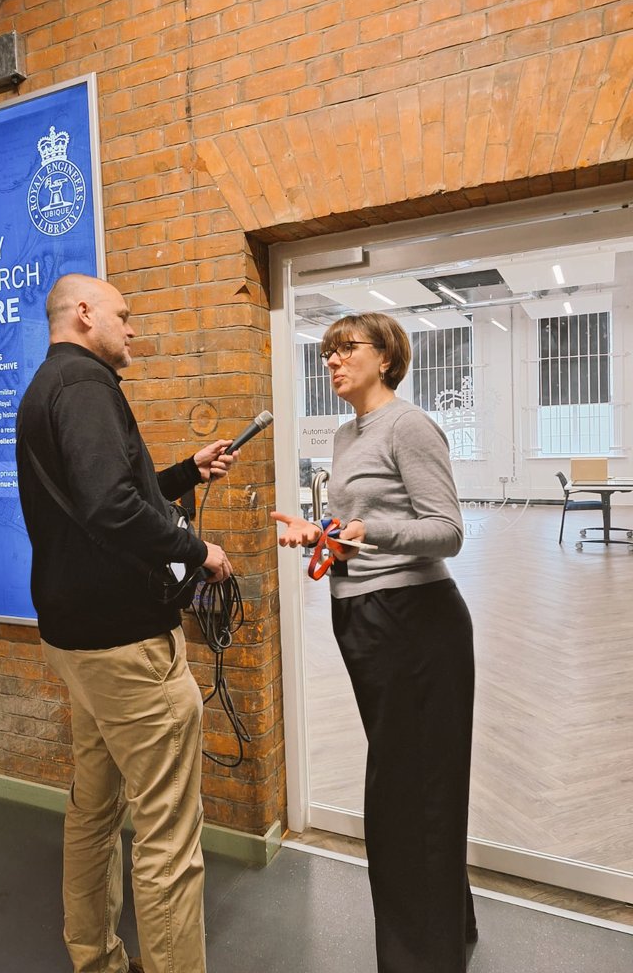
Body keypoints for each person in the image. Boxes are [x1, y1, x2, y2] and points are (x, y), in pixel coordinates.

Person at [16, 272, 236, 973]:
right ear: (85, 314)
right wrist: (199, 549)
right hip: (128, 650)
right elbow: (110, 508)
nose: (133, 329)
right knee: (169, 837)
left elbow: (96, 497)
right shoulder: (85, 388)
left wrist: (179, 475)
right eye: (124, 315)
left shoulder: (46, 388)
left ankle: (95, 959)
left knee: (94, 810)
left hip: (76, 643)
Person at [272, 312, 476, 973]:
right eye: (327, 352)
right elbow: (360, 518)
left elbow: (446, 530)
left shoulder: (409, 425)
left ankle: (423, 958)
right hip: (363, 617)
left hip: (415, 620)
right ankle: (448, 931)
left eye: (346, 349)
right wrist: (324, 534)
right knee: (410, 786)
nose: (332, 361)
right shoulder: (345, 432)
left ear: (386, 357)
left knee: (406, 796)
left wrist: (368, 532)